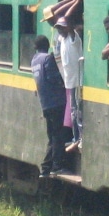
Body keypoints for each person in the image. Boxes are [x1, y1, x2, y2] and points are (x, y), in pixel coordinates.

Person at [32, 34, 68, 178]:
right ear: (47, 46)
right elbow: (53, 78)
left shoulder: (34, 60)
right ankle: (54, 166)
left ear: (35, 47)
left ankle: (46, 168)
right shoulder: (47, 58)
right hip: (56, 102)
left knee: (52, 135)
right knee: (58, 136)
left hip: (45, 103)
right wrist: (64, 83)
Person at [54, 16, 83, 152]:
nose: (60, 30)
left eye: (62, 27)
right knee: (73, 112)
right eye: (58, 27)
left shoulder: (73, 38)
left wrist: (69, 26)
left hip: (78, 81)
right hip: (70, 82)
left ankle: (80, 139)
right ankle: (75, 138)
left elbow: (71, 31)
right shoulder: (63, 39)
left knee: (77, 112)